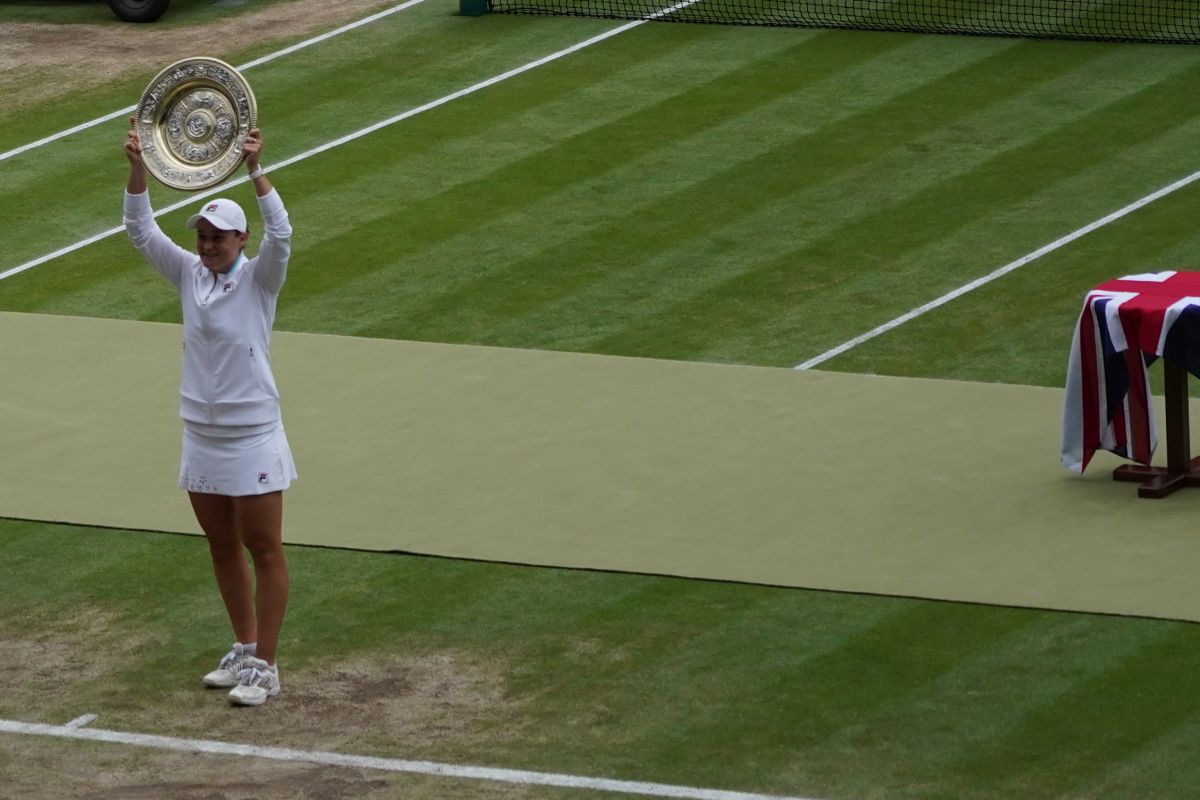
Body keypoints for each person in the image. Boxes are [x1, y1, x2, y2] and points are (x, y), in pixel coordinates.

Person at [123, 118, 295, 706]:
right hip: (200, 433)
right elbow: (141, 232)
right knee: (221, 546)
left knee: (263, 547)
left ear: (241, 239)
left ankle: (267, 668)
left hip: (252, 436)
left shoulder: (261, 280)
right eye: (201, 235)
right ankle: (244, 649)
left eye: (218, 237)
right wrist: (139, 165)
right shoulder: (188, 275)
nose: (206, 244)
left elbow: (284, 233)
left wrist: (255, 169)